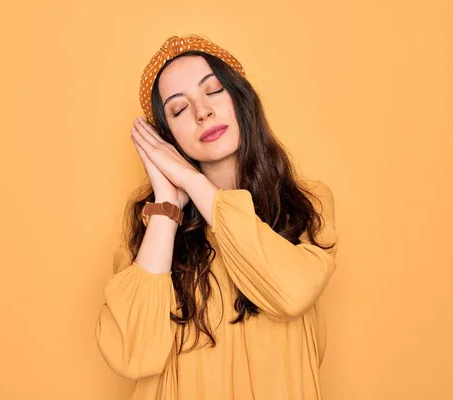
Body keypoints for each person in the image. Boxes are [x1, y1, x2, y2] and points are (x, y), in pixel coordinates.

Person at [95, 34, 338, 399]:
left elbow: (290, 292)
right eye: (178, 110)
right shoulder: (152, 228)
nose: (202, 112)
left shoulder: (305, 203)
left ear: (241, 99)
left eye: (214, 91)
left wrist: (193, 181)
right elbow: (133, 354)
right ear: (168, 139)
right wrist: (167, 203)